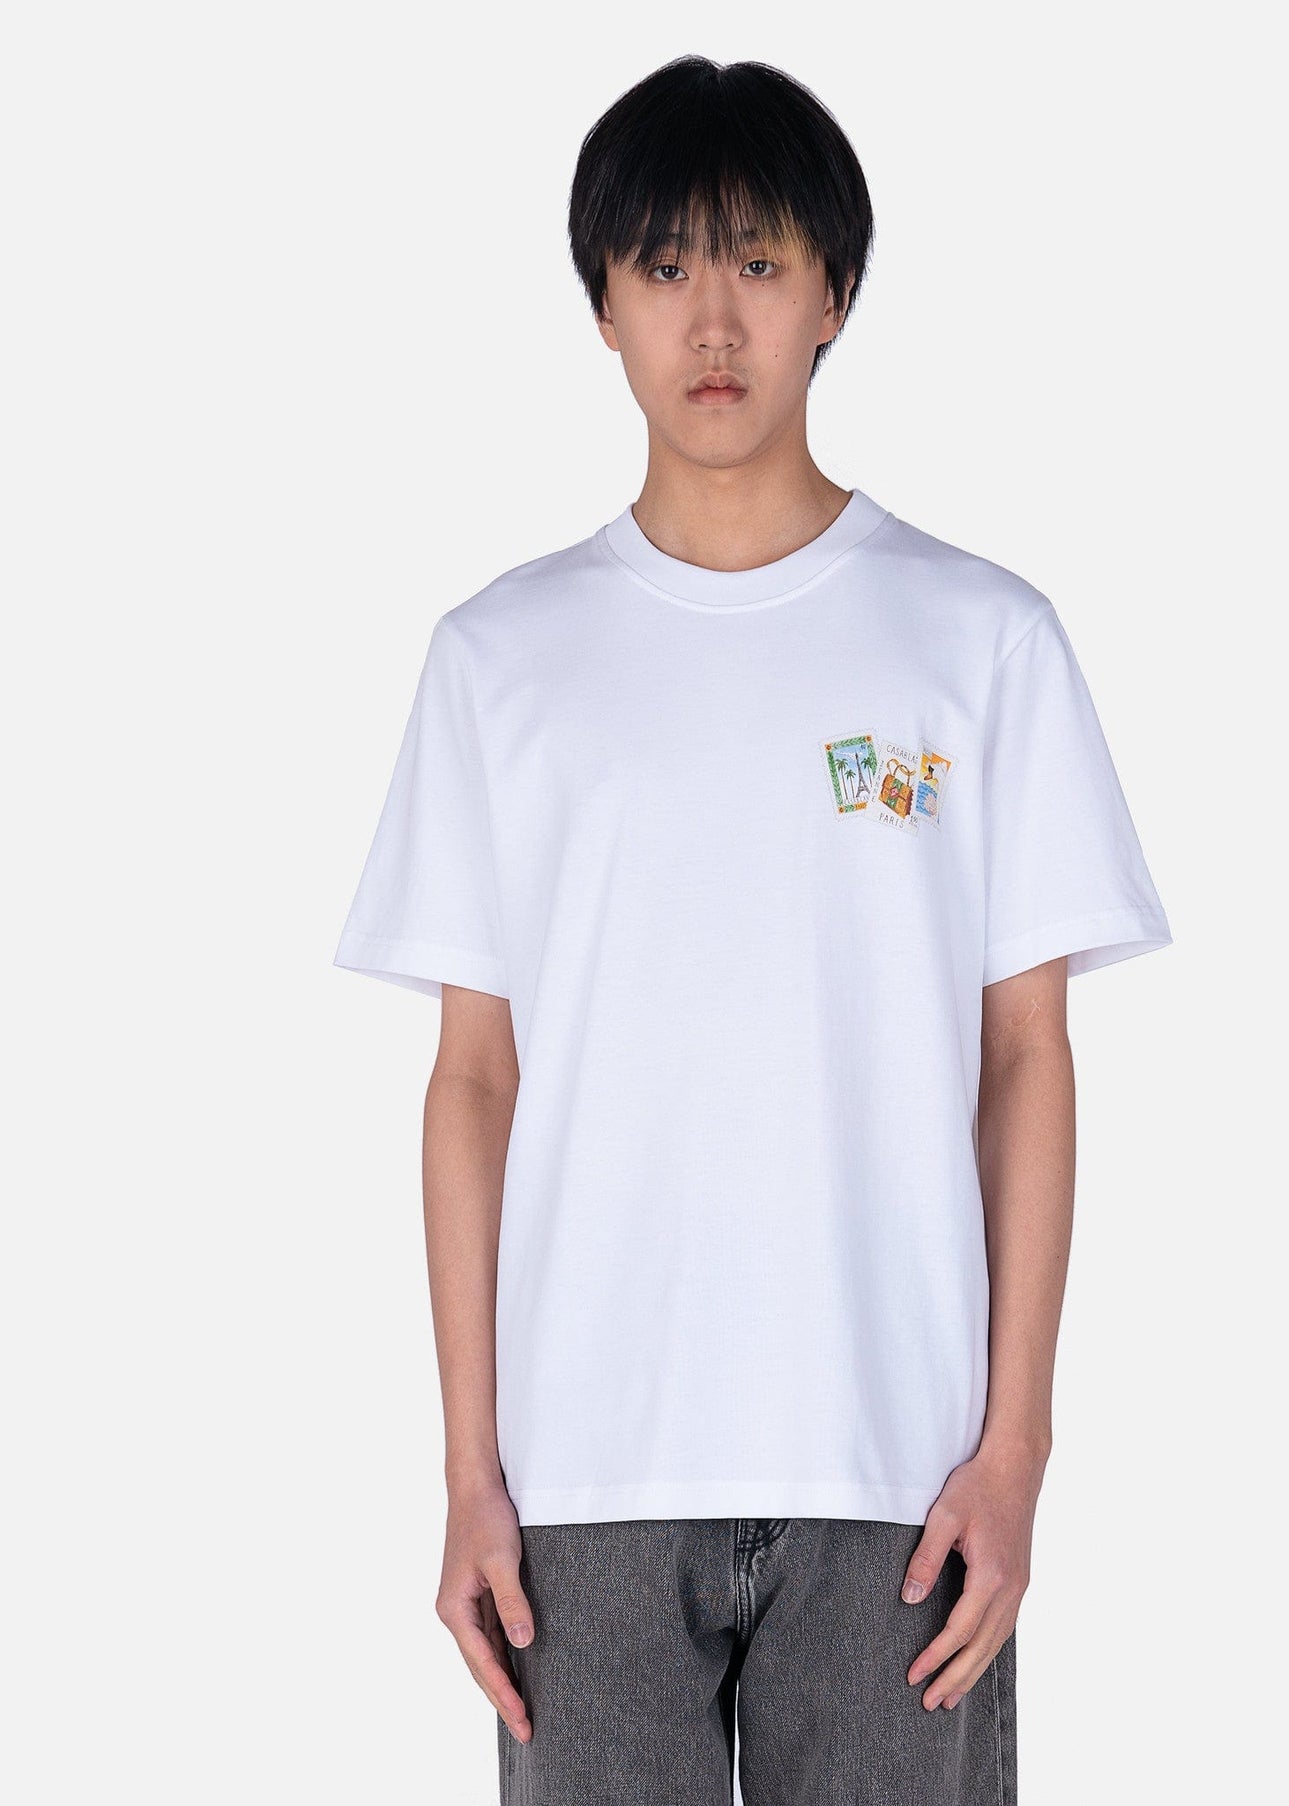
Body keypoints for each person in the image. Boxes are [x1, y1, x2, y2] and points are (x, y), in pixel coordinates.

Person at [334, 52, 1171, 1806]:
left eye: (760, 261)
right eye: (662, 266)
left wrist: (1015, 1447)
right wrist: (470, 1469)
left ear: (833, 295)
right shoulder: (498, 658)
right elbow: (471, 1080)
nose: (711, 318)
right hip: (580, 1482)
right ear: (602, 307)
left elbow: (1026, 1056)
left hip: (901, 1473)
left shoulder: (978, 638)